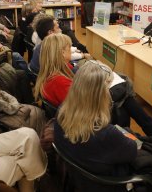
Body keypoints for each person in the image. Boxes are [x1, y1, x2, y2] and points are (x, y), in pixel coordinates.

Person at [35, 33, 152, 139]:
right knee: (124, 92)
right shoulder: (59, 81)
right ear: (60, 53)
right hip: (87, 118)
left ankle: (147, 131)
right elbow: (84, 106)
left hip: (79, 112)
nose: (71, 51)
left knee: (122, 94)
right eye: (68, 49)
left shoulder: (52, 73)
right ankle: (149, 130)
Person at [54, 61, 139, 190]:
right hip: (106, 184)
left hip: (78, 177)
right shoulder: (106, 133)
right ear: (101, 94)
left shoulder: (62, 113)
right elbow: (132, 151)